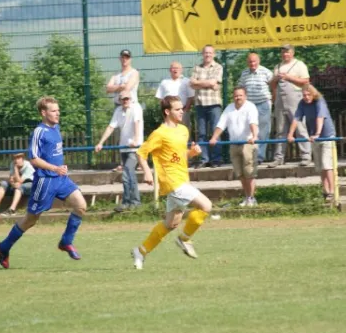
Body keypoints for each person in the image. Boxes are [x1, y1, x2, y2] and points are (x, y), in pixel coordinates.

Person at [0, 97, 87, 269]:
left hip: (60, 179)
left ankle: (66, 242)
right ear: (44, 113)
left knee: (81, 206)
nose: (57, 113)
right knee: (30, 220)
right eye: (53, 111)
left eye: (58, 110)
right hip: (44, 182)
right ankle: (3, 247)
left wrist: (60, 168)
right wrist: (55, 168)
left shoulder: (56, 127)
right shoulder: (39, 132)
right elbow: (34, 159)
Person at [130, 95, 212, 270]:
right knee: (206, 206)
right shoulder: (159, 133)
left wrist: (192, 153)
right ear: (167, 112)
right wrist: (147, 173)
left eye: (182, 108)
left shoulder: (183, 130)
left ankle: (141, 251)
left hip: (182, 180)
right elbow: (140, 153)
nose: (182, 111)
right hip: (172, 182)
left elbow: (179, 156)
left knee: (171, 224)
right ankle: (184, 239)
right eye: (177, 109)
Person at [95, 91, 144, 212]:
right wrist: (101, 142)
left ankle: (129, 202)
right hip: (123, 147)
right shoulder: (118, 111)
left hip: (134, 148)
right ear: (120, 100)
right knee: (129, 174)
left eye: (127, 98)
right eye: (123, 99)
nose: (125, 100)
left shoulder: (136, 108)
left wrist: (136, 140)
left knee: (127, 174)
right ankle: (133, 202)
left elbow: (137, 123)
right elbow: (111, 126)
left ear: (131, 99)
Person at [209, 86, 259, 207]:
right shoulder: (229, 108)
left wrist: (254, 136)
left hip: (247, 144)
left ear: (245, 96)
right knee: (240, 174)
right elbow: (221, 124)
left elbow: (253, 123)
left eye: (240, 95)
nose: (238, 98)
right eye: (236, 95)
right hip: (233, 144)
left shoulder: (250, 107)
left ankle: (252, 198)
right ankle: (247, 197)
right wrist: (214, 137)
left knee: (249, 173)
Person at [287, 84, 336, 203]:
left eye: (308, 94)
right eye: (304, 95)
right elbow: (296, 118)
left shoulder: (320, 101)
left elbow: (320, 117)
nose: (306, 97)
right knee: (319, 167)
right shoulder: (302, 103)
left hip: (326, 136)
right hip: (314, 137)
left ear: (313, 94)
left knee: (327, 165)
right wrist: (290, 134)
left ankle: (332, 191)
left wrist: (318, 133)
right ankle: (325, 192)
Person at [269, 44, 312, 167]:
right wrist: (275, 80)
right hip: (280, 101)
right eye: (283, 52)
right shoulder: (277, 66)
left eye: (287, 52)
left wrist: (288, 77)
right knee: (280, 130)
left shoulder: (299, 65)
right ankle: (278, 158)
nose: (285, 54)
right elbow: (272, 86)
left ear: (292, 53)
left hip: (295, 99)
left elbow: (306, 81)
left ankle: (306, 156)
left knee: (300, 127)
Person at [190, 45, 223, 168]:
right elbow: (192, 84)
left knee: (216, 132)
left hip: (214, 104)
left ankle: (216, 159)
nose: (208, 55)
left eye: (210, 53)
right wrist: (208, 84)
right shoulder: (196, 68)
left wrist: (199, 83)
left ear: (213, 54)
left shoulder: (218, 67)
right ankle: (205, 159)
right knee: (202, 133)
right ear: (202, 54)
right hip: (200, 104)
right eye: (205, 53)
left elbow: (213, 82)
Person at [237, 53, 272, 164]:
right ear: (247, 62)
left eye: (254, 61)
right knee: (248, 132)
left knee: (262, 131)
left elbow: (274, 85)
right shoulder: (244, 73)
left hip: (263, 104)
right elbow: (240, 87)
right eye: (250, 61)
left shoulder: (266, 72)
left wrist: (272, 100)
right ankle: (249, 156)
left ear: (258, 61)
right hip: (249, 106)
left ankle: (259, 157)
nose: (252, 63)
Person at [155, 61, 195, 131]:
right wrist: (164, 111)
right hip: (168, 113)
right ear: (170, 70)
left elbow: (191, 97)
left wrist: (186, 110)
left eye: (177, 68)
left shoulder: (186, 81)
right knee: (169, 131)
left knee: (184, 131)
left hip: (182, 111)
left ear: (181, 70)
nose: (175, 70)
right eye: (173, 68)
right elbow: (160, 98)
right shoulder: (164, 82)